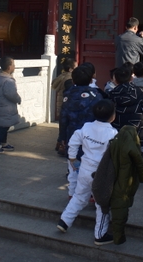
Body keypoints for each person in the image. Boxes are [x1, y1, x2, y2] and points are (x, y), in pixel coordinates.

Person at [57, 99, 118, 246]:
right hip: (101, 174)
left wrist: (73, 159)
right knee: (102, 204)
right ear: (113, 116)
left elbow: (73, 141)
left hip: (84, 169)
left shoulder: (86, 127)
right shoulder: (113, 133)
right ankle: (100, 235)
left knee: (79, 197)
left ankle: (64, 221)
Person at [92, 124, 143, 245]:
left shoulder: (114, 143)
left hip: (113, 180)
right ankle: (118, 238)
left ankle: (113, 234)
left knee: (116, 209)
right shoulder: (132, 147)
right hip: (124, 184)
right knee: (121, 210)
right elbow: (140, 163)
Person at [58, 65, 104, 197]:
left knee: (73, 165)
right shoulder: (96, 96)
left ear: (73, 80)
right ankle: (91, 194)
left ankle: (72, 193)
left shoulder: (67, 95)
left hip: (72, 135)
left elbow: (63, 118)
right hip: (91, 136)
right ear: (91, 80)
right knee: (91, 164)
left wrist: (62, 137)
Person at [106, 65, 143, 154]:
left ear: (115, 80)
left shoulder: (111, 94)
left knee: (119, 153)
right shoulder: (140, 92)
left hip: (117, 127)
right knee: (136, 154)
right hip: (137, 127)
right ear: (132, 78)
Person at [0, 56, 22, 154]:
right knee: (4, 127)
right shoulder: (8, 80)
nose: (14, 67)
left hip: (0, 106)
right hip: (6, 107)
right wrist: (18, 99)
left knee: (5, 125)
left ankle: (3, 143)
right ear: (9, 67)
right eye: (13, 65)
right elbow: (11, 94)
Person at [52, 58, 76, 156]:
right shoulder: (70, 79)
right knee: (66, 128)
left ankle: (59, 143)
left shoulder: (61, 76)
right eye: (75, 67)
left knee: (62, 126)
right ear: (70, 69)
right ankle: (62, 146)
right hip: (66, 106)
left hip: (61, 105)